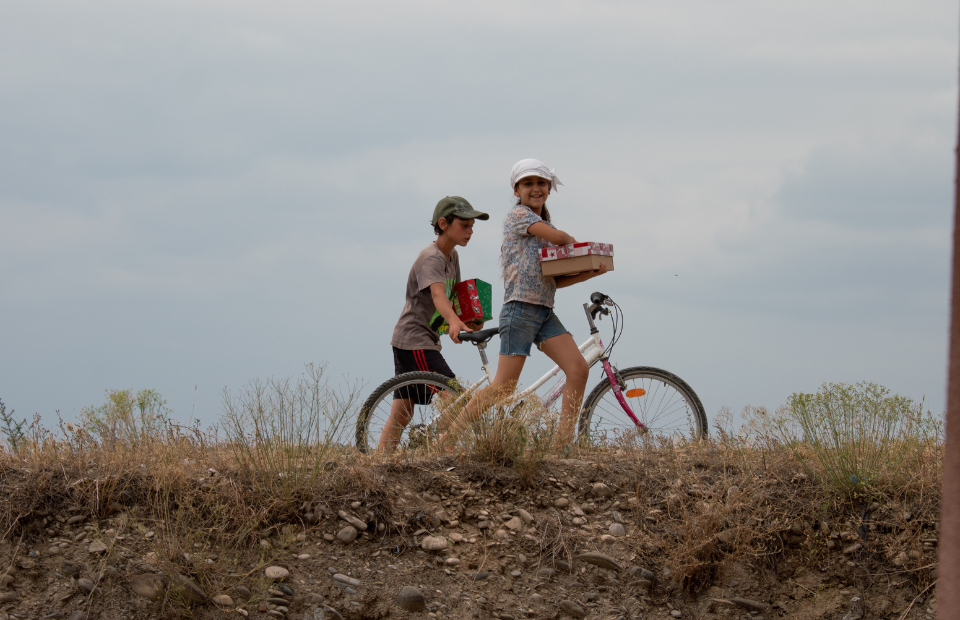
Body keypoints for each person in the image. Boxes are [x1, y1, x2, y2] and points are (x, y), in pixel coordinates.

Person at [453, 159, 608, 446]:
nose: (535, 188)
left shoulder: (541, 227)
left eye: (541, 183)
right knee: (503, 388)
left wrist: (588, 272)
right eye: (528, 183)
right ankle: (447, 437)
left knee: (577, 369)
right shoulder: (520, 217)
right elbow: (561, 238)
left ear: (549, 188)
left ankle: (561, 445)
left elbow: (553, 281)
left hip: (544, 312)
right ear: (516, 190)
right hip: (520, 310)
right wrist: (573, 244)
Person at [378, 196, 489, 452]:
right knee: (453, 395)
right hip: (414, 340)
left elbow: (453, 298)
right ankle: (435, 452)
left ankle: (378, 462)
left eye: (473, 226)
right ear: (443, 223)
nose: (470, 231)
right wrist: (452, 322)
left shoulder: (453, 257)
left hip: (422, 340)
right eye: (465, 225)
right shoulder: (432, 258)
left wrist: (468, 320)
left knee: (403, 412)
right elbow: (439, 295)